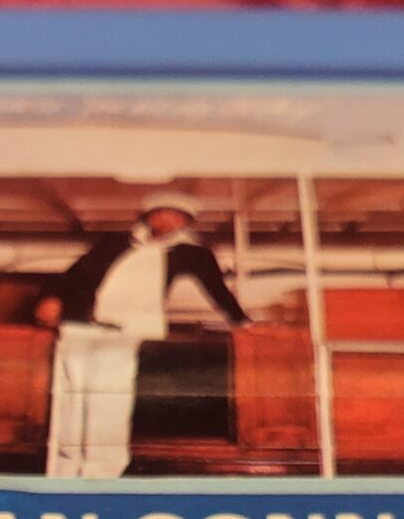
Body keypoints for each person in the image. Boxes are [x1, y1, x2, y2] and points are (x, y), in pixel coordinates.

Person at [37, 189, 251, 479]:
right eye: (160, 213)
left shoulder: (193, 252)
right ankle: (62, 475)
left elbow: (217, 290)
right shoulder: (114, 242)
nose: (167, 220)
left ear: (187, 222)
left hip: (123, 334)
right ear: (148, 217)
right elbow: (74, 275)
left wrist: (244, 323)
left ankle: (101, 476)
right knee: (69, 402)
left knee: (109, 403)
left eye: (177, 216)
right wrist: (50, 298)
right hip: (78, 327)